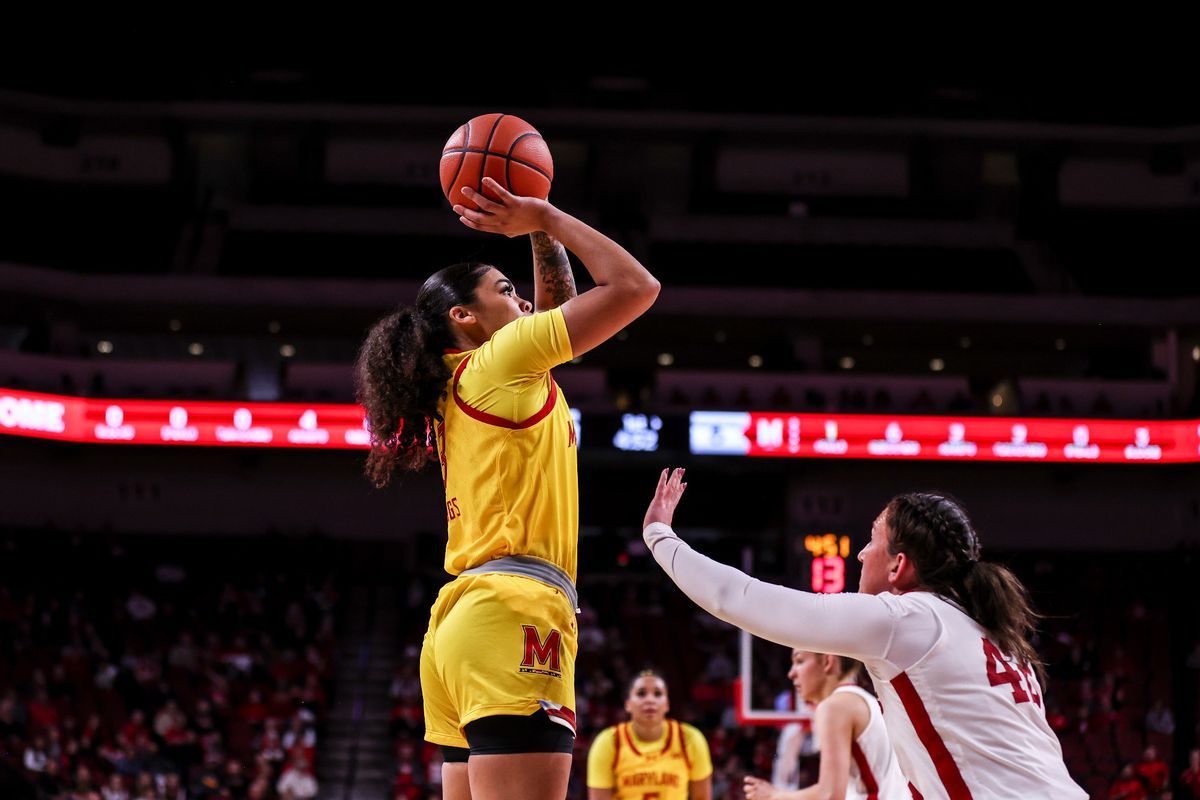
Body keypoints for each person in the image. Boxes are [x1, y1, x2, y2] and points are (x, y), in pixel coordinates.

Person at [356, 177, 659, 800]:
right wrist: (546, 213)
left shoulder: (459, 383)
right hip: (514, 613)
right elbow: (635, 288)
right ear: (462, 316)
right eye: (504, 290)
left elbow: (551, 315)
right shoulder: (500, 362)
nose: (521, 301)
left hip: (460, 626)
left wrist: (538, 232)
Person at [641, 468, 1086, 799]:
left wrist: (660, 536)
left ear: (899, 565)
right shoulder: (993, 635)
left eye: (872, 538)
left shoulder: (907, 619)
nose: (859, 553)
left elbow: (741, 598)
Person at [744, 650, 907, 800]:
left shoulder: (834, 707)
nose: (791, 673)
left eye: (799, 661)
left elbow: (830, 795)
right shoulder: (864, 700)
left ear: (828, 662)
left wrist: (774, 795)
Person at [587, 670, 713, 800]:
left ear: (667, 704)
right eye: (641, 693)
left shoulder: (690, 739)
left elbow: (702, 797)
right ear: (628, 704)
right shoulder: (608, 742)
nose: (650, 700)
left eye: (658, 694)